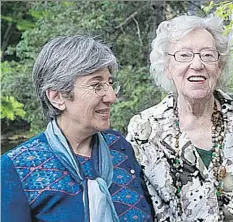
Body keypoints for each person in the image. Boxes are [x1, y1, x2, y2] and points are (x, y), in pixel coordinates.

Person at [126, 15, 233, 221]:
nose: (197, 64)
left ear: (219, 66)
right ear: (167, 67)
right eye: (184, 55)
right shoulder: (145, 131)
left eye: (208, 55)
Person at [1, 35, 154, 222]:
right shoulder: (17, 167)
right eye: (97, 85)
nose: (111, 97)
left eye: (110, 83)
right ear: (57, 96)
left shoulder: (119, 147)